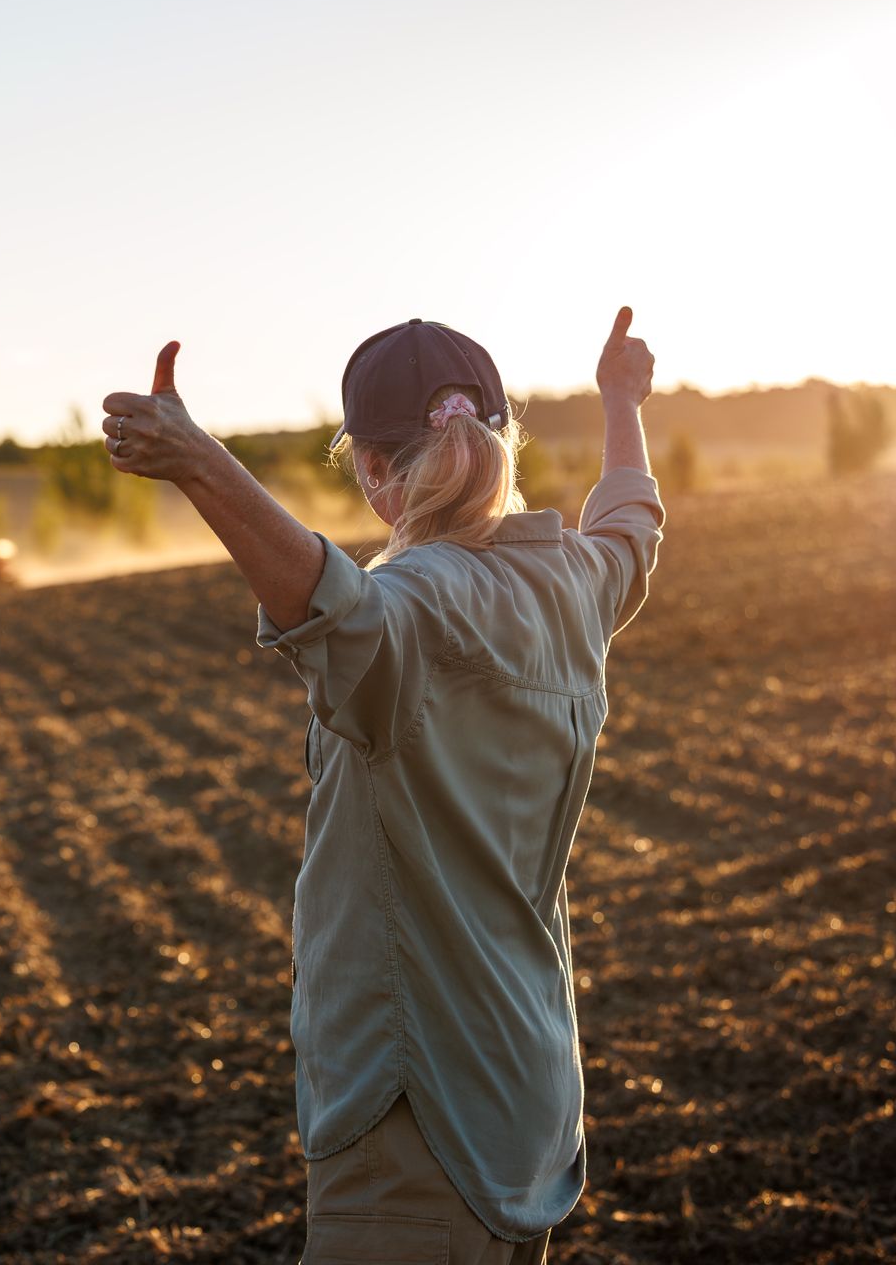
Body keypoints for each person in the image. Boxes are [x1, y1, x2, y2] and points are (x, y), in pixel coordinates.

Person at [100, 311, 663, 1264]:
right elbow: (631, 523)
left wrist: (200, 462)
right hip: (526, 1101)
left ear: (369, 472)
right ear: (501, 442)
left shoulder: (413, 613)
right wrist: (621, 403)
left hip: (419, 1115)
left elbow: (330, 602)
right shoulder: (575, 585)